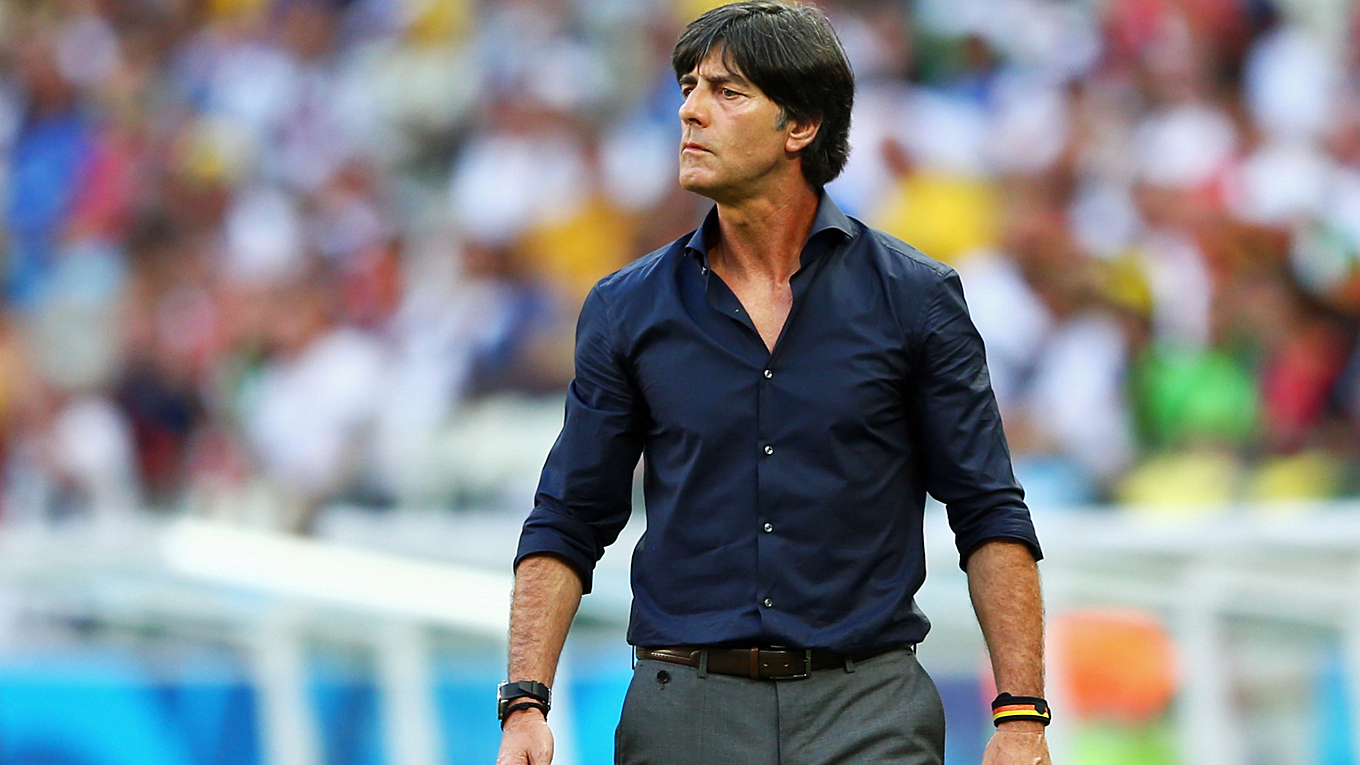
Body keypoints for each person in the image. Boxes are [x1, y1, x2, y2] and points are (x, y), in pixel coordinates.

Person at [495, 3, 1050, 763]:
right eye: (689, 87)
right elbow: (567, 516)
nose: (690, 111)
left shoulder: (917, 299)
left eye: (727, 92)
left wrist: (1021, 715)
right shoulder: (626, 308)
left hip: (871, 709)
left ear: (802, 125)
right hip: (685, 713)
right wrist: (525, 702)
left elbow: (987, 510)